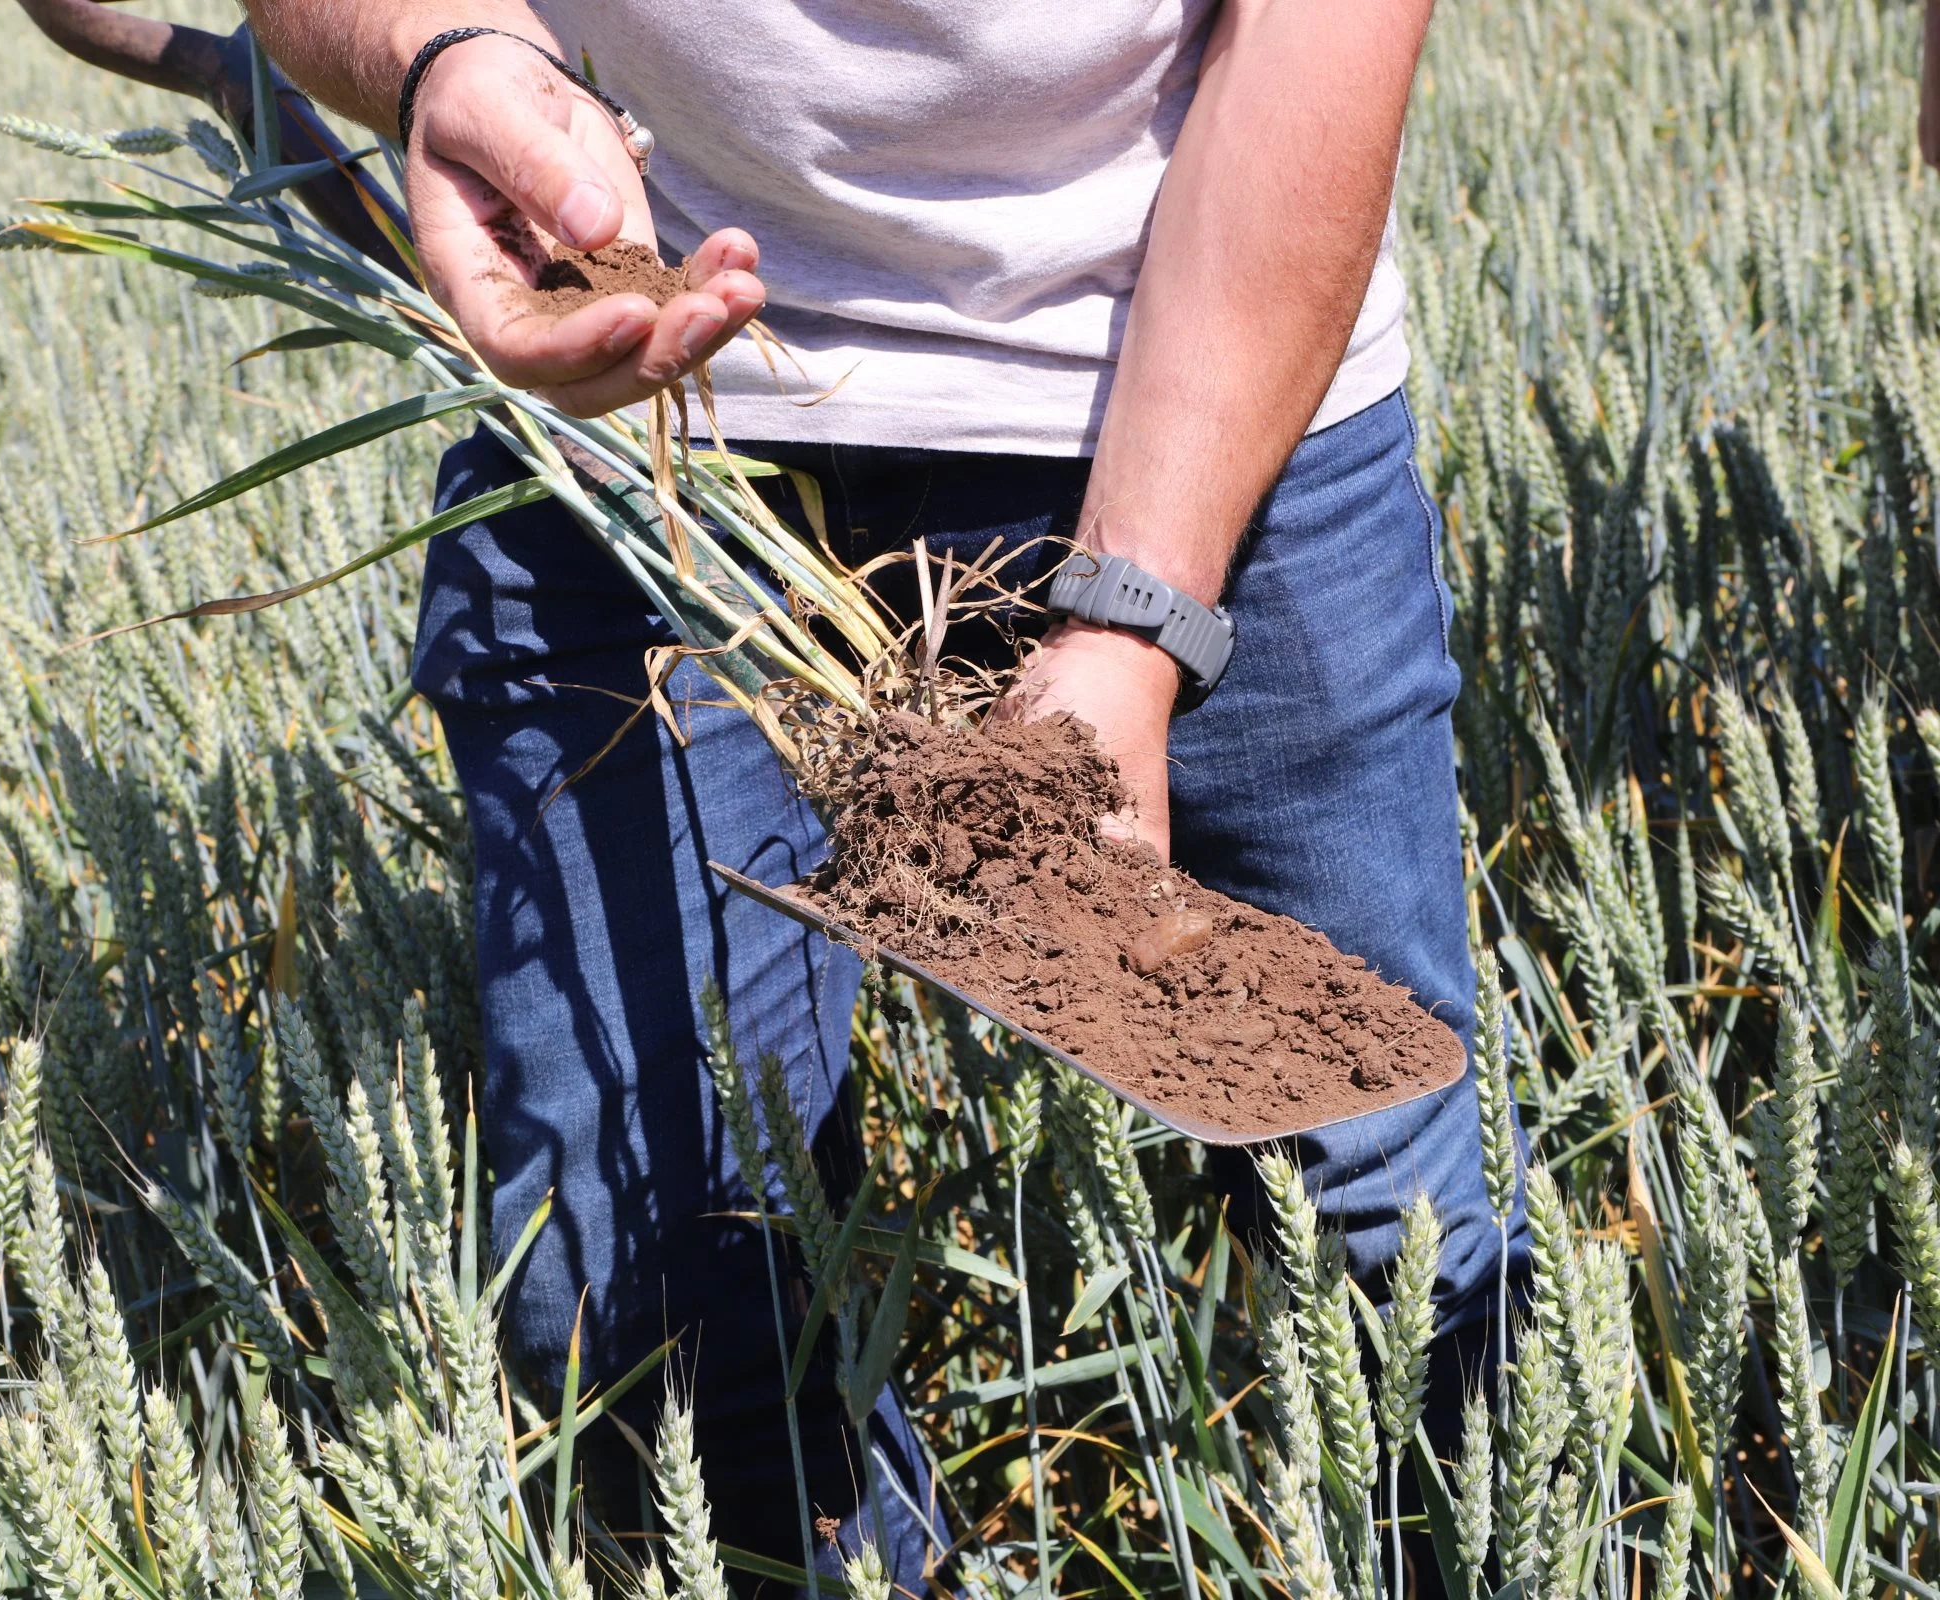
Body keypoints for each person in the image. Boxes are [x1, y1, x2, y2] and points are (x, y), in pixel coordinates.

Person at [244, 0, 1532, 1589]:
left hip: (1203, 382)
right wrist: (443, 58)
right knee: (648, 1308)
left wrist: (1140, 620)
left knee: (1384, 1241)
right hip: (647, 433)